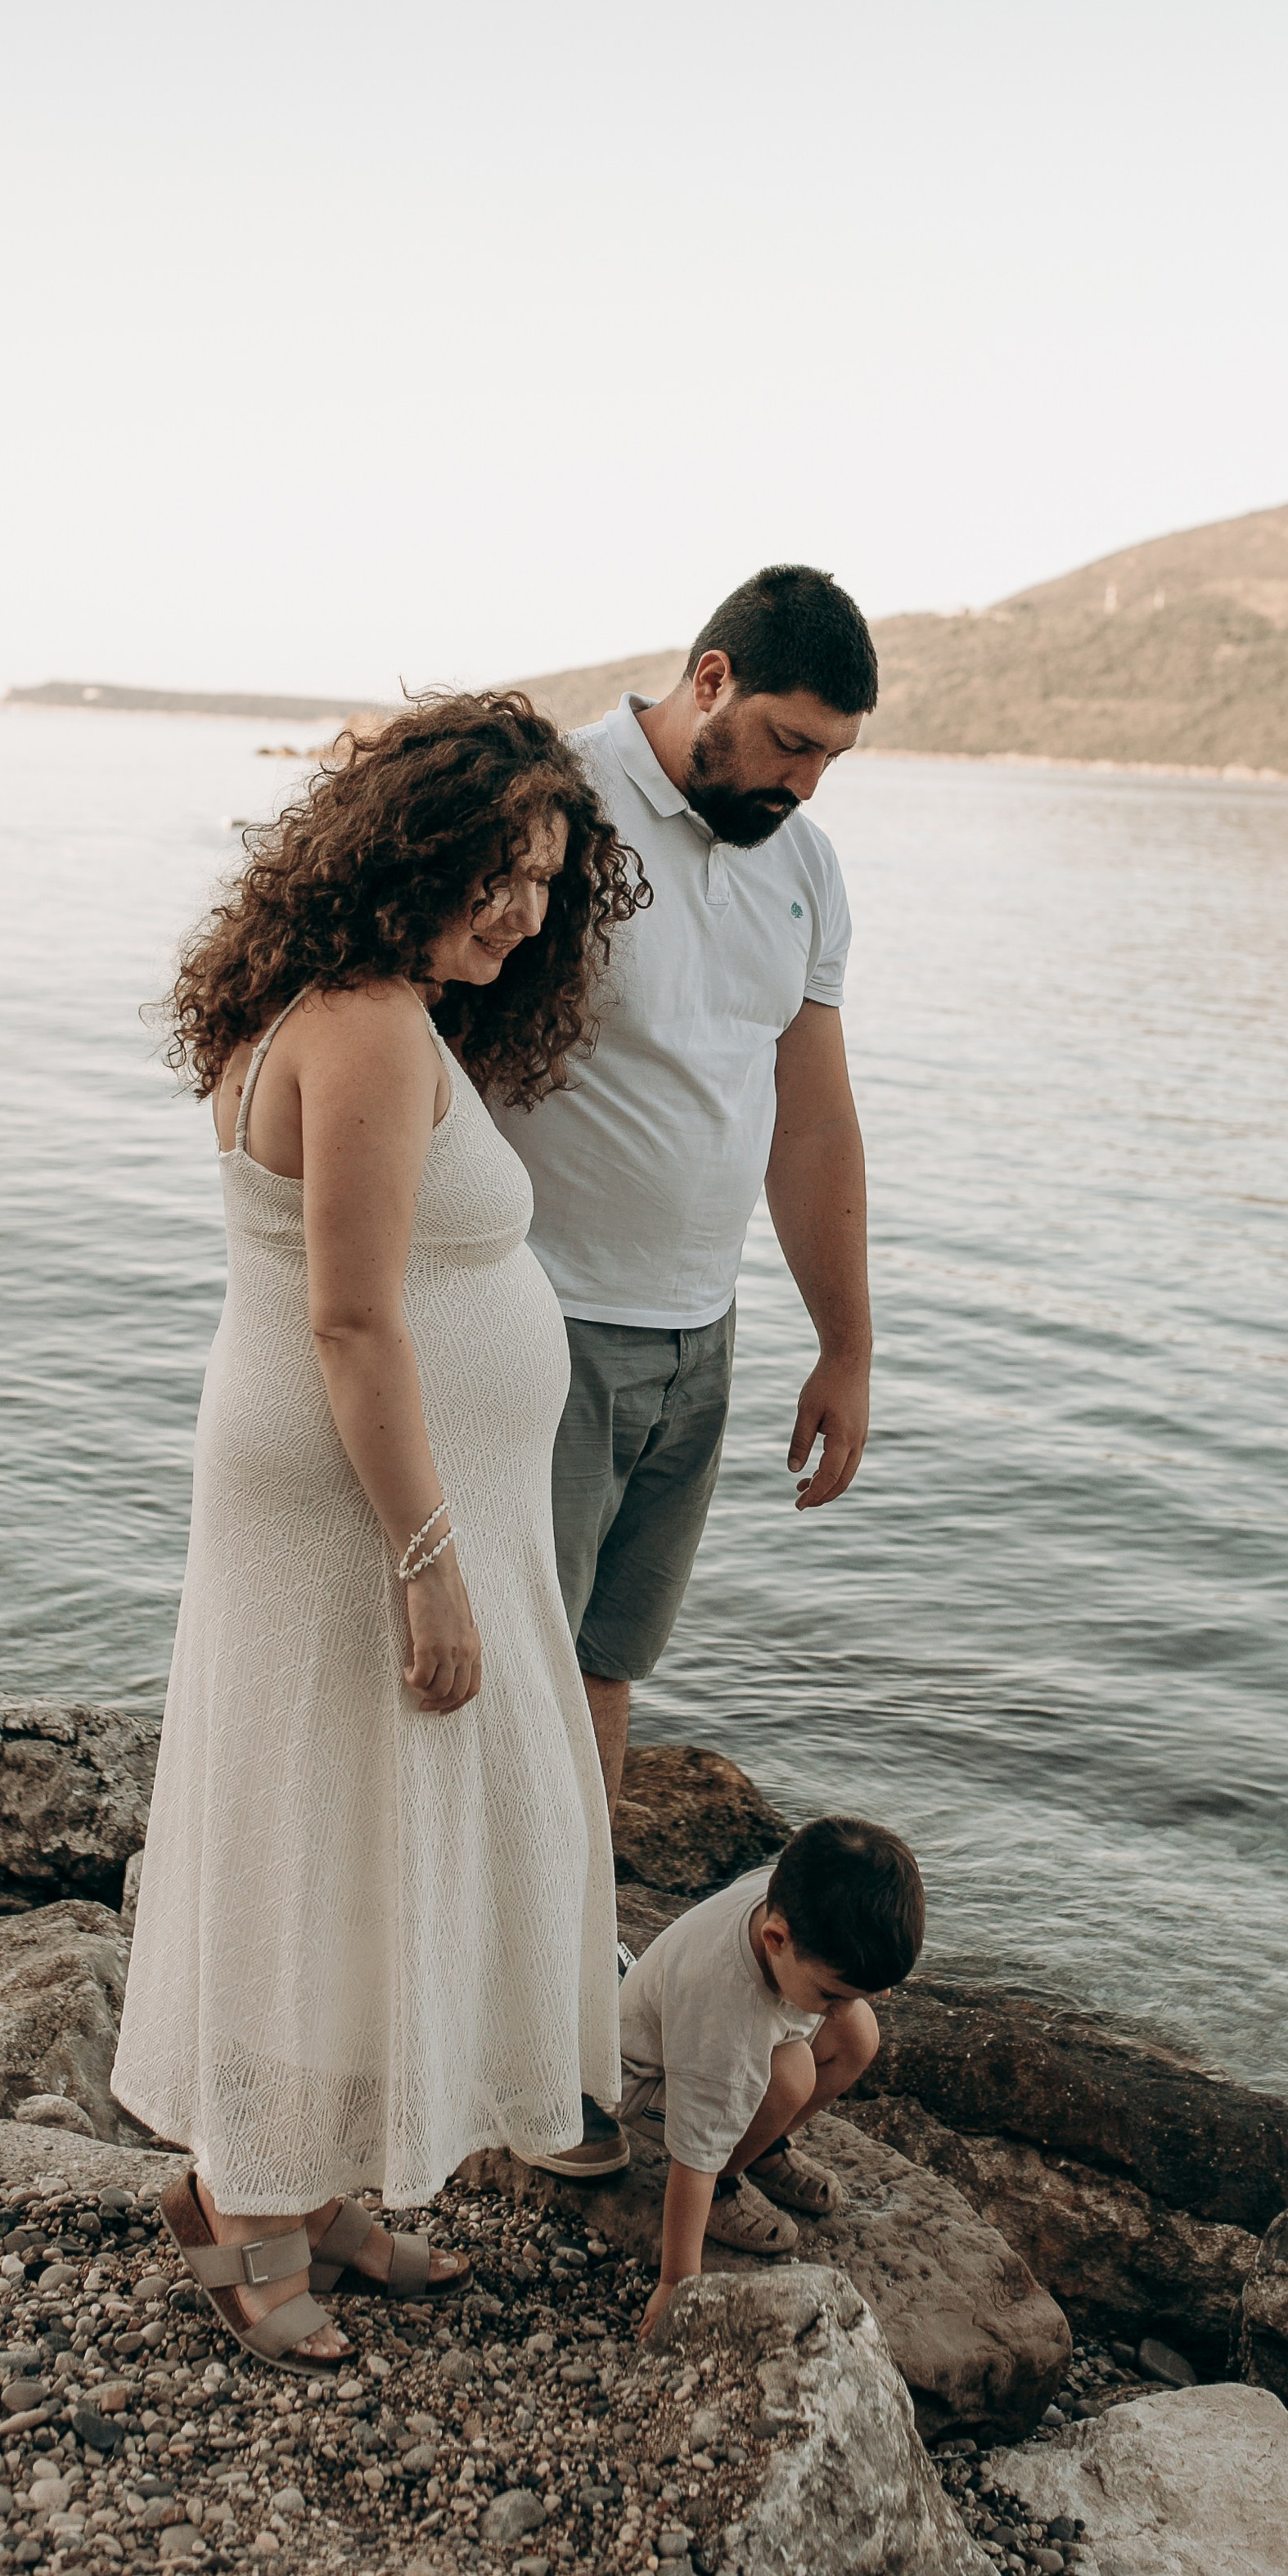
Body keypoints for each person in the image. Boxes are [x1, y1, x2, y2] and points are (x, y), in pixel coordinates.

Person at [110, 692, 646, 2369]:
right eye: (498, 867)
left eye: (549, 880)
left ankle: (316, 2180)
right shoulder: (357, 1028)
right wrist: (431, 1560)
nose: (522, 909)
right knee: (314, 1836)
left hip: (361, 1488)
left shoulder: (375, 1008)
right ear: (412, 849)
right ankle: (240, 2217)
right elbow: (352, 1321)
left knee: (355, 1833)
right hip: (356, 1505)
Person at [492, 565, 878, 2177]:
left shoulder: (806, 877)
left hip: (692, 1340)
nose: (799, 784)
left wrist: (844, 1341)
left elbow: (808, 1120)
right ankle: (500, 2053)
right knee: (500, 1695)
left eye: (828, 761)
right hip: (541, 1326)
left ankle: (561, 2028)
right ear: (708, 683)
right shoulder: (553, 813)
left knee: (595, 1681)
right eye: (785, 742)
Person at [616, 1817, 925, 2335]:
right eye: (832, 1992)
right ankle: (726, 2185)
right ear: (776, 1939)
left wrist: (853, 1995)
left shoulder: (789, 1892)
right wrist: (678, 2282)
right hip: (647, 2075)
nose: (842, 2004)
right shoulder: (722, 2007)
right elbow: (695, 2146)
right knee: (790, 2077)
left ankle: (761, 2149)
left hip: (730, 2041)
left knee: (859, 2034)